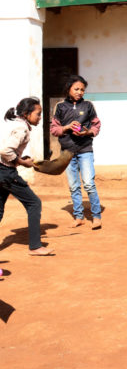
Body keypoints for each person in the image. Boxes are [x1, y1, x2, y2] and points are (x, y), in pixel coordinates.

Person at [0, 97, 54, 255]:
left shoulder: (11, 124)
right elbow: (5, 151)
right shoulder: (21, 128)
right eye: (38, 114)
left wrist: (20, 159)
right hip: (6, 172)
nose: (40, 117)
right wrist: (22, 162)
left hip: (3, 171)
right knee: (34, 203)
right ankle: (36, 246)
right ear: (26, 114)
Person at [51, 75, 103, 229]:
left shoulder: (88, 106)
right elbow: (54, 129)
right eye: (76, 89)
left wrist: (87, 133)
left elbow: (97, 125)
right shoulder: (60, 107)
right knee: (73, 185)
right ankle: (79, 216)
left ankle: (96, 216)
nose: (80, 92)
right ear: (68, 89)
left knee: (88, 184)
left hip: (85, 149)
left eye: (82, 90)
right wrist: (66, 128)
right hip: (67, 152)